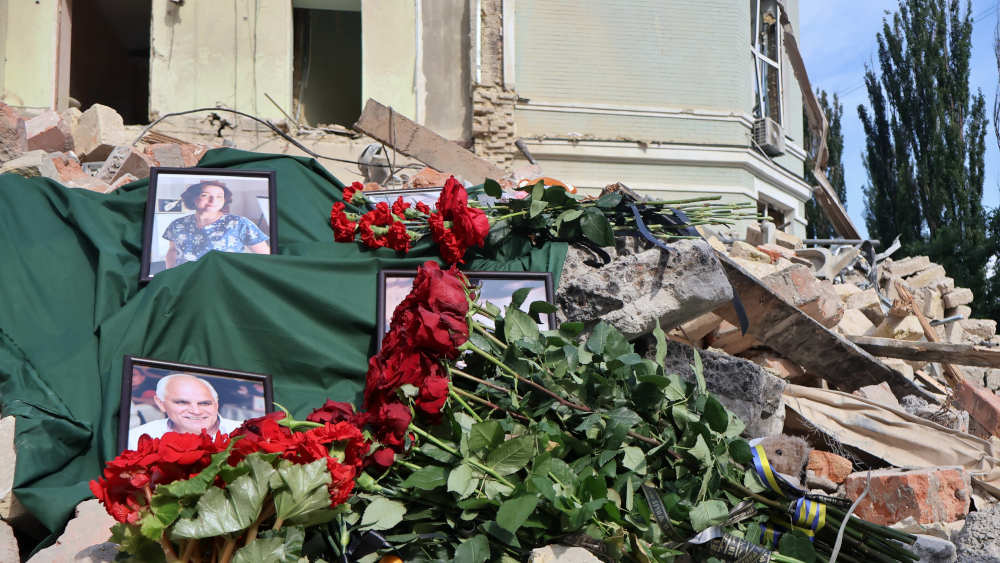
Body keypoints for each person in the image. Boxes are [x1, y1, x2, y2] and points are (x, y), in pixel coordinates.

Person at [162, 180, 270, 269]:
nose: (213, 200)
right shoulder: (177, 224)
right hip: (185, 279)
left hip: (224, 280)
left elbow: (266, 257)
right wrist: (169, 273)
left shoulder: (239, 223)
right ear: (193, 198)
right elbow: (172, 251)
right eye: (205, 195)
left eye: (219, 196)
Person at [128, 373, 241, 449]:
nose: (196, 411)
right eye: (182, 402)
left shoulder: (245, 433)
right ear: (161, 404)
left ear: (216, 405)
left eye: (204, 403)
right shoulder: (138, 438)